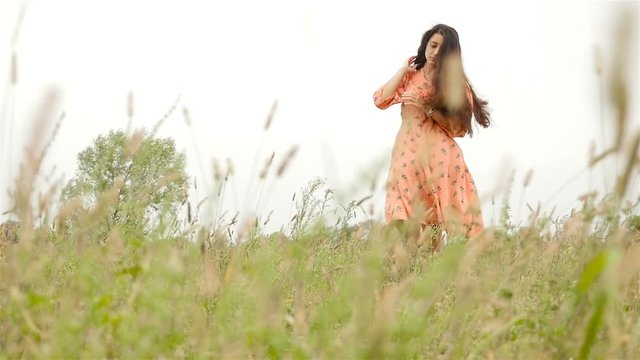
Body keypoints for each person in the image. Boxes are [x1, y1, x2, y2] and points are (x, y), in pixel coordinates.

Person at [373, 24, 491, 249]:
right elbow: (380, 100)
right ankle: (404, 267)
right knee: (399, 214)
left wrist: (429, 109)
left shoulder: (454, 84)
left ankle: (427, 273)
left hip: (437, 156)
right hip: (405, 152)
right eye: (433, 45)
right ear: (425, 44)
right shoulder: (411, 78)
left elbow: (459, 129)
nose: (435, 52)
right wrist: (402, 71)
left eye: (442, 49)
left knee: (431, 220)